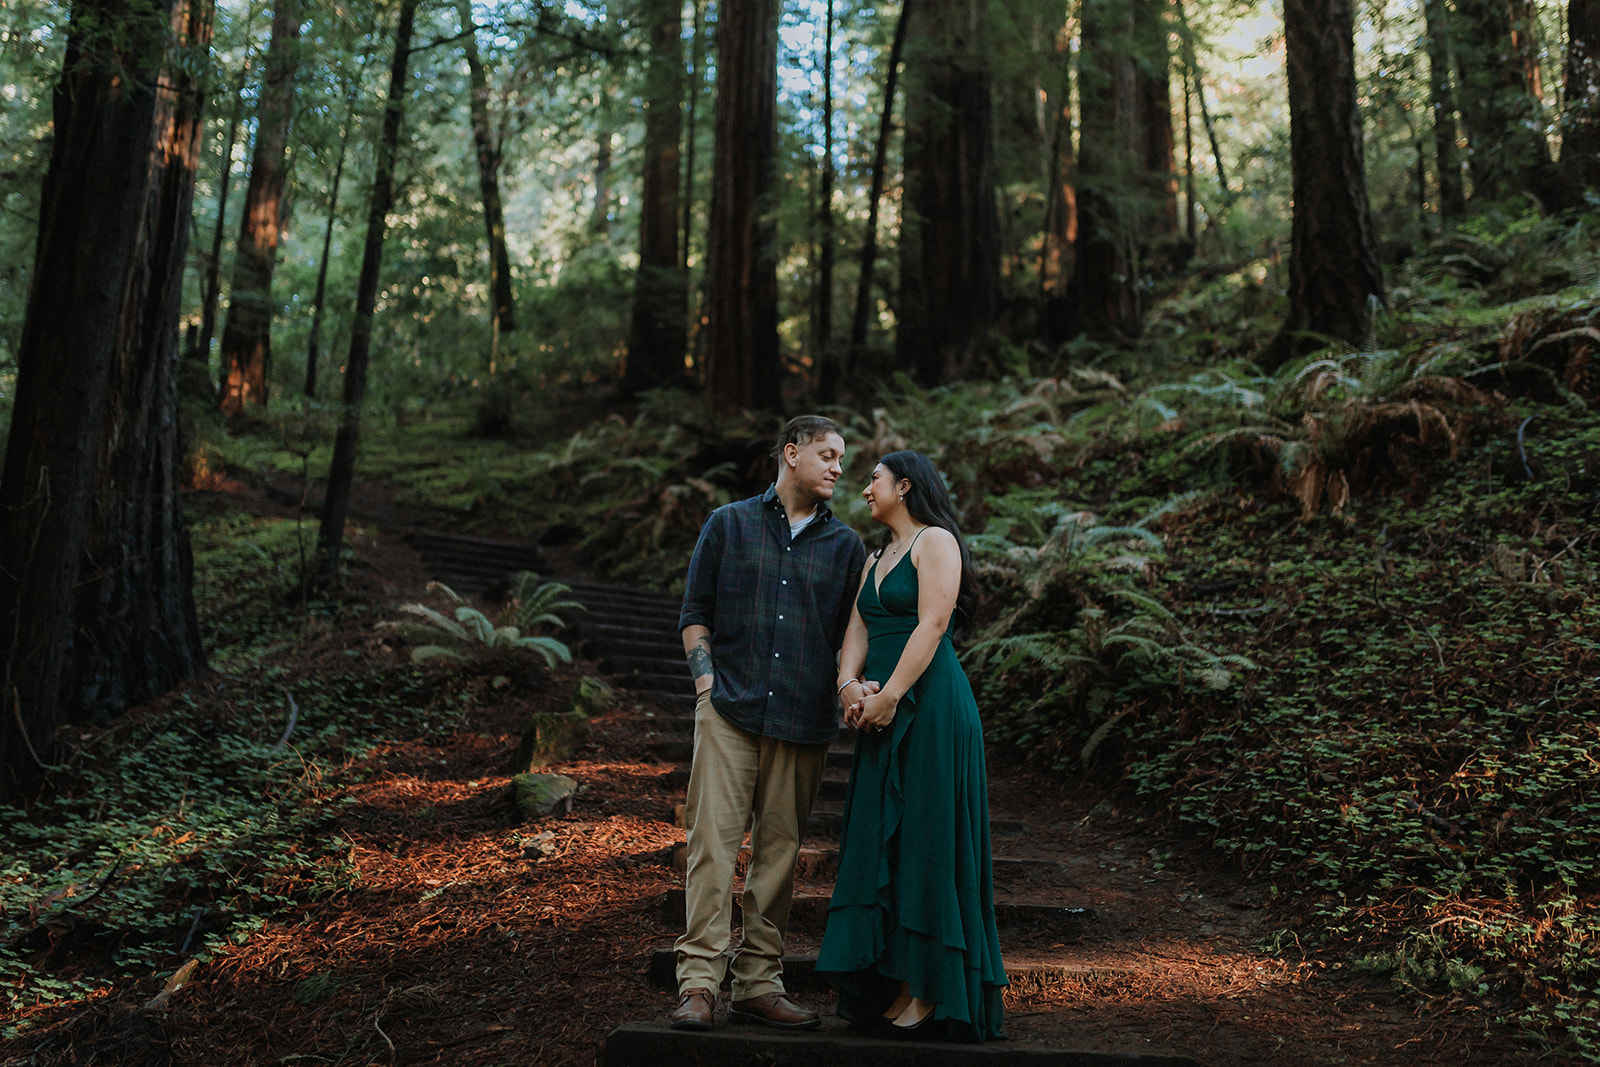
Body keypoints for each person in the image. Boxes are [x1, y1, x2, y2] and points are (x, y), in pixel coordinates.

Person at [670, 415, 867, 1032]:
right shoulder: (728, 523)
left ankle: (758, 984)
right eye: (827, 454)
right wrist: (707, 688)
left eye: (843, 457)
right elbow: (694, 614)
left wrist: (849, 687)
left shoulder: (847, 547)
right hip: (730, 708)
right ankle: (698, 985)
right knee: (712, 848)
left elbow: (850, 638)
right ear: (791, 453)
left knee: (778, 855)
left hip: (803, 719)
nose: (838, 466)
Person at [817, 450, 1007, 1043]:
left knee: (927, 834)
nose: (863, 487)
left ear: (904, 485)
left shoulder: (936, 542)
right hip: (881, 711)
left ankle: (932, 986)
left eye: (872, 478)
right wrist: (851, 687)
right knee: (882, 840)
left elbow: (932, 624)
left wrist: (891, 694)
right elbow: (855, 631)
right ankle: (896, 978)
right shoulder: (874, 557)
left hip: (930, 708)